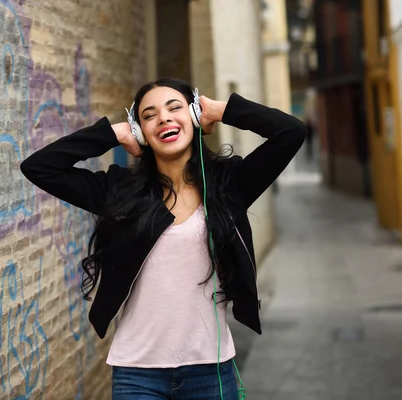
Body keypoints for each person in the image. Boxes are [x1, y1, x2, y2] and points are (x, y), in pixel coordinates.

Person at [20, 77, 306, 400]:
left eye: (175, 109)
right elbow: (39, 167)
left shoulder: (229, 185)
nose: (164, 119)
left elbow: (291, 133)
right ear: (141, 131)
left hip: (210, 370)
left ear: (195, 116)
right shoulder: (120, 192)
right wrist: (113, 134)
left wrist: (221, 110)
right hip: (138, 373)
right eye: (149, 115)